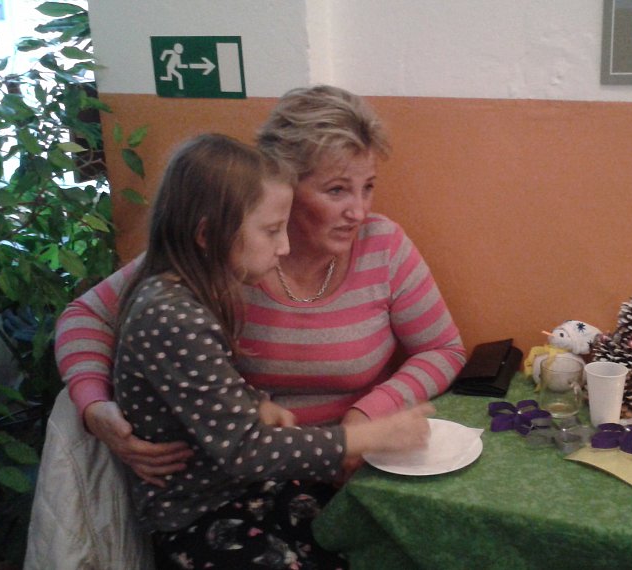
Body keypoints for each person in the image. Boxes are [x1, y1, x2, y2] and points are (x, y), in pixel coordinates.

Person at [54, 85, 466, 486]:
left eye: (368, 187)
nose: (358, 212)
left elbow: (443, 349)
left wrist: (369, 416)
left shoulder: (383, 245)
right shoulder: (223, 255)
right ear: (282, 185)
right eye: (337, 190)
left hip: (356, 463)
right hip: (246, 477)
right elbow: (86, 316)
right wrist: (93, 405)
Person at [110, 133, 434, 568]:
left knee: (369, 538)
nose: (283, 246)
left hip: (247, 491)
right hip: (198, 513)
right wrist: (370, 436)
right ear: (207, 234)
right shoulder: (172, 314)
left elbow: (207, 387)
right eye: (271, 231)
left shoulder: (193, 292)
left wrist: (253, 402)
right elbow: (245, 452)